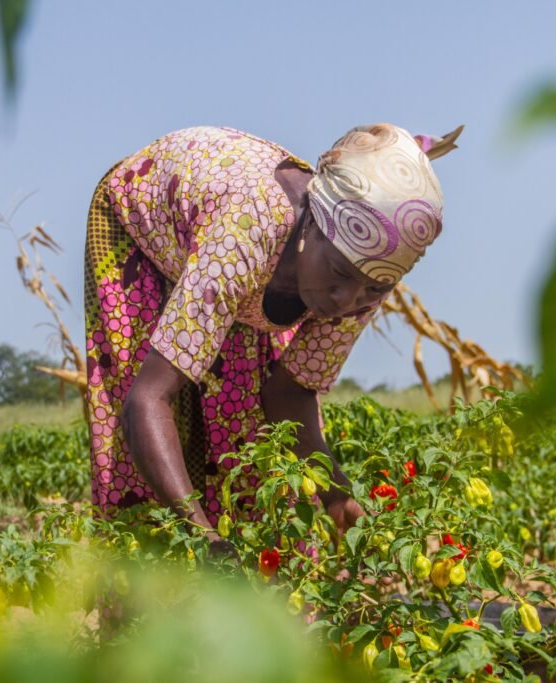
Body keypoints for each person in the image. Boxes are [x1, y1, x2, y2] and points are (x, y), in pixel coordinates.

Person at [84, 123, 458, 553]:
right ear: (313, 227)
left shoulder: (363, 278)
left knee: (251, 451)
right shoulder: (247, 232)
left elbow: (289, 393)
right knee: (142, 478)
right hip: (144, 228)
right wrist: (205, 540)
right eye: (339, 275)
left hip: (242, 262)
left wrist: (337, 494)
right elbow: (147, 401)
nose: (346, 300)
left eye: (373, 288)